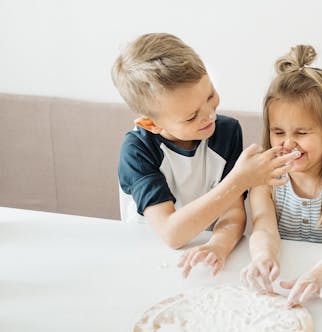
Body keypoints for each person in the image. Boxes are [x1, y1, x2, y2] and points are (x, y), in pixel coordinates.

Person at [111, 33, 299, 278]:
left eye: (210, 95)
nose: (209, 114)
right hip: (147, 258)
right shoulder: (137, 151)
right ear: (151, 124)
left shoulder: (226, 132)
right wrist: (240, 180)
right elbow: (171, 233)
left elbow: (232, 212)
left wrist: (218, 245)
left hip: (199, 256)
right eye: (191, 116)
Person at [240, 45, 322, 308]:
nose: (288, 143)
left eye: (301, 133)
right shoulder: (266, 187)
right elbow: (264, 229)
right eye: (278, 132)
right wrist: (263, 258)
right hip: (281, 290)